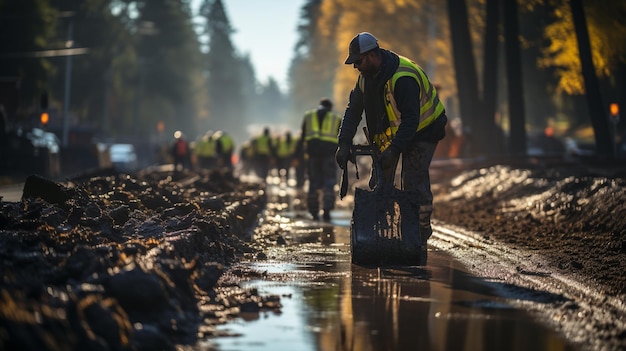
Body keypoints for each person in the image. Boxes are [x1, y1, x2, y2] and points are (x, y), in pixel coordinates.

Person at [335, 32, 448, 253]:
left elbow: (411, 121)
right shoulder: (365, 79)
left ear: (371, 56)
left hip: (425, 129)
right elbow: (353, 111)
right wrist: (344, 143)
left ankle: (420, 231)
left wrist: (394, 149)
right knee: (381, 183)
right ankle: (381, 235)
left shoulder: (403, 77)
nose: (355, 67)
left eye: (357, 61)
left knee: (413, 179)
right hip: (396, 132)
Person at [299, 98, 342, 221]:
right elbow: (342, 137)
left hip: (313, 155)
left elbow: (302, 137)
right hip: (329, 155)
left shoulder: (308, 116)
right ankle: (327, 210)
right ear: (330, 108)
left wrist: (301, 155)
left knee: (313, 182)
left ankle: (314, 212)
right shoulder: (336, 118)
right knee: (329, 182)